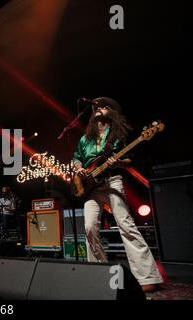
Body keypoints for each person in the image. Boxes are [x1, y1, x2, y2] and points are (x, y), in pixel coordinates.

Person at [73, 97, 163, 293]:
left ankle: (147, 276)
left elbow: (131, 160)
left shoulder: (118, 133)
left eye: (104, 106)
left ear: (112, 111)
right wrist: (79, 169)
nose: (98, 108)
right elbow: (76, 159)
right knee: (88, 227)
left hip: (113, 180)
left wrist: (119, 163)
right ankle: (101, 273)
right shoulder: (84, 138)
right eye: (96, 106)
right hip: (91, 188)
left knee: (125, 224)